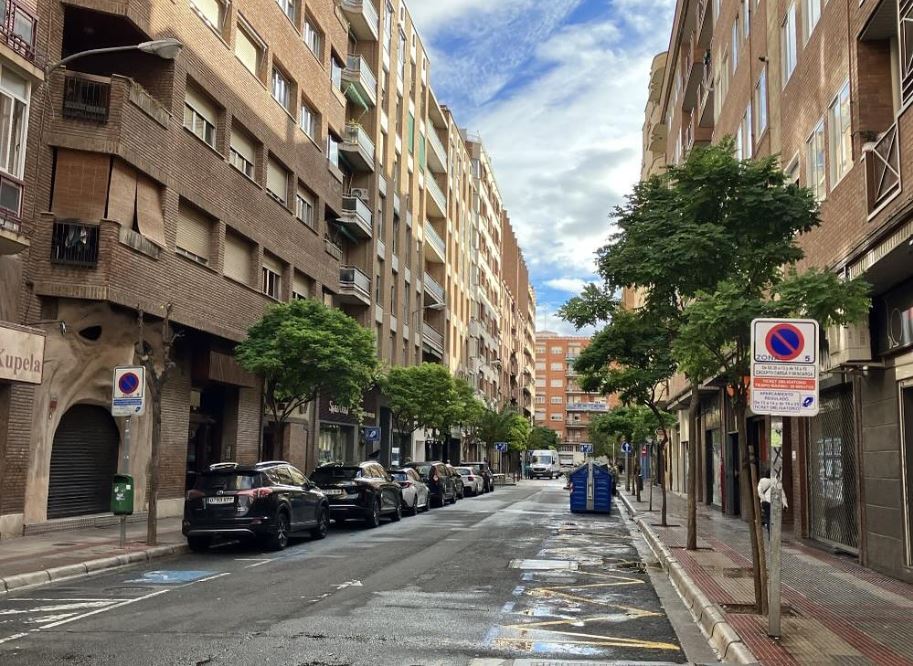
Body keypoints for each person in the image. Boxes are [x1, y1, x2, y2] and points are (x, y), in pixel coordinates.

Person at [757, 465, 788, 537]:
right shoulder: (776, 481)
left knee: (768, 519)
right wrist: (785, 504)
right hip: (774, 503)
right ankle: (774, 534)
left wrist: (764, 500)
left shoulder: (762, 481)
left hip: (765, 503)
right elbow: (782, 494)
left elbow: (759, 492)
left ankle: (770, 535)